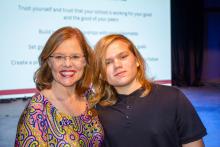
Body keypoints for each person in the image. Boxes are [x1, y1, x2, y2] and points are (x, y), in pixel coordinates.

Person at [92, 34, 207, 147]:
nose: (117, 65)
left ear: (137, 60)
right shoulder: (96, 110)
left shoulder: (172, 97)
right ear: (101, 73)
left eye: (123, 57)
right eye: (107, 62)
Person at [15, 26, 104, 147]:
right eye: (58, 57)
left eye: (75, 57)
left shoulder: (90, 97)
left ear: (85, 61)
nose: (67, 64)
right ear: (48, 62)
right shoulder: (36, 111)